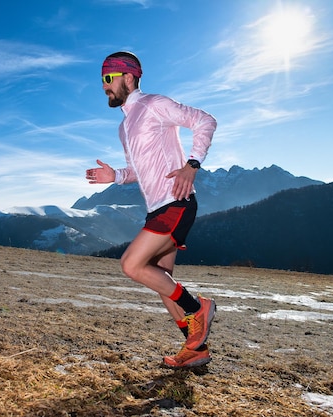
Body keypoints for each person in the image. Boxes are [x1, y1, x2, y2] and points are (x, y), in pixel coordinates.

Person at [86, 51, 218, 368]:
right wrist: (115, 176)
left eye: (108, 78)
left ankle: (198, 308)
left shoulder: (154, 104)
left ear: (128, 77)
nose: (104, 86)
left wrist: (191, 165)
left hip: (176, 201)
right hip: (157, 207)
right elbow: (137, 170)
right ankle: (195, 349)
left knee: (132, 265)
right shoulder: (124, 127)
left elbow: (205, 121)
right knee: (161, 279)